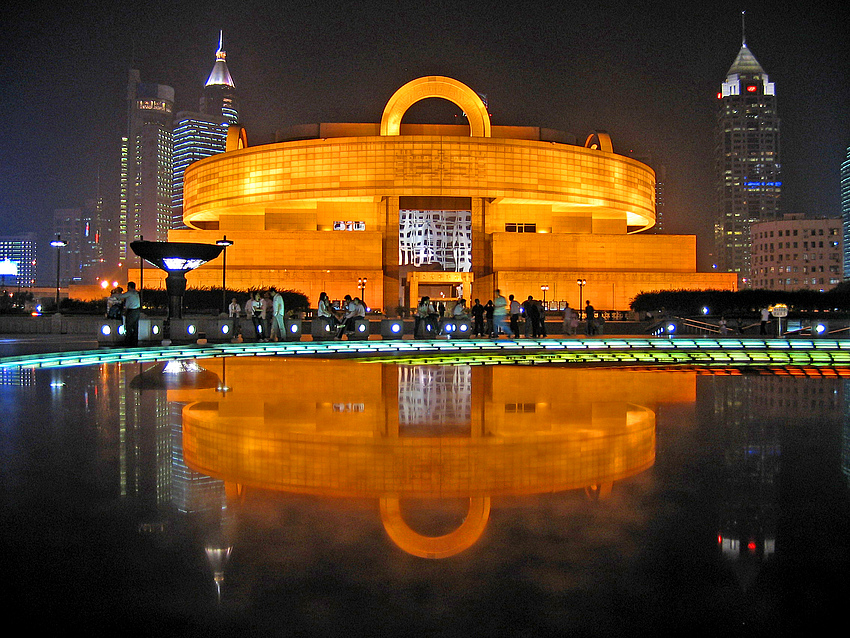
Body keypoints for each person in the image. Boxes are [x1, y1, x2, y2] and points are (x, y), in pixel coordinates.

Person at [117, 282, 141, 347]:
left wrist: (114, 294)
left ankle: (128, 342)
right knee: (135, 327)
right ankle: (134, 342)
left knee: (129, 326)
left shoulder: (130, 293)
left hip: (132, 311)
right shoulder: (136, 293)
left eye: (128, 287)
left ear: (129, 287)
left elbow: (121, 296)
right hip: (137, 311)